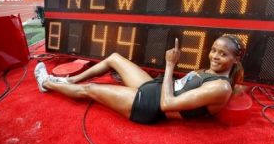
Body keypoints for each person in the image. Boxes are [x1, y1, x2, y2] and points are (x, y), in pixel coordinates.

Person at [34, 35, 245, 124]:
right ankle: (71, 81)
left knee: (90, 89)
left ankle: (46, 83)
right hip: (156, 87)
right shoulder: (216, 74)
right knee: (115, 58)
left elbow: (167, 104)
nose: (215, 56)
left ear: (235, 59)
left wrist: (170, 65)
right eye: (214, 50)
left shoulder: (220, 87)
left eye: (223, 54)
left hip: (149, 105)